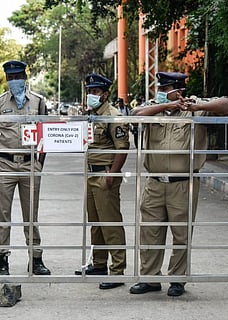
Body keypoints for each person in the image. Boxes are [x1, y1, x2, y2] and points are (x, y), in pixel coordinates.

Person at [129, 71, 228, 296]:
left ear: (179, 91)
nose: (161, 93)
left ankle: (177, 279)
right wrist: (162, 107)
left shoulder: (194, 105)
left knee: (182, 234)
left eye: (166, 90)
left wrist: (193, 108)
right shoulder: (153, 107)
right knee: (150, 232)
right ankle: (149, 278)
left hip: (183, 183)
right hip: (154, 182)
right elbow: (135, 113)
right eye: (161, 89)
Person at [0, 60, 51, 276]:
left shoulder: (38, 102)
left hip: (30, 164)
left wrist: (40, 162)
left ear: (25, 77)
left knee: (31, 215)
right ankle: (2, 260)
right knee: (2, 215)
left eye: (18, 76)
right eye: (10, 78)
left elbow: (45, 133)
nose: (14, 81)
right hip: (5, 164)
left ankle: (36, 258)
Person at [74, 73, 130, 290]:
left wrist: (112, 175)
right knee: (96, 222)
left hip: (105, 174)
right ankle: (99, 264)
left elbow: (122, 149)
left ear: (106, 94)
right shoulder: (93, 115)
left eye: (95, 92)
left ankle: (117, 270)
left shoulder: (113, 116)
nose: (91, 95)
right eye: (89, 92)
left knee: (110, 223)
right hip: (91, 174)